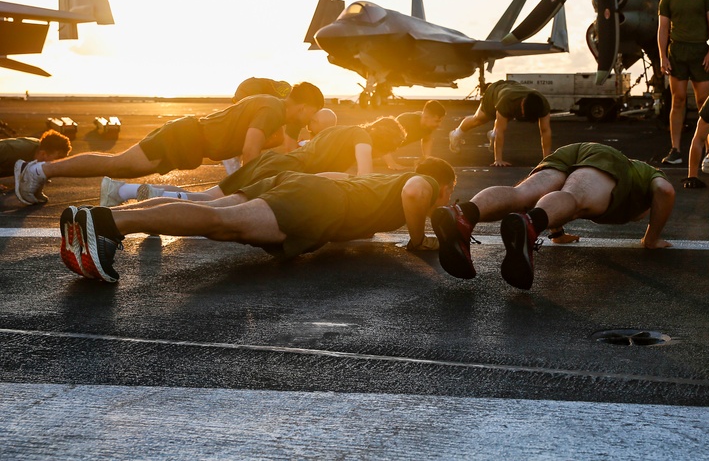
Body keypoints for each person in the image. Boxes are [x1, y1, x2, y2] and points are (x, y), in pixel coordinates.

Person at [59, 157, 457, 283]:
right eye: (449, 193)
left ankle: (98, 218)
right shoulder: (421, 181)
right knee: (219, 223)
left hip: (304, 186)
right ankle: (109, 228)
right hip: (315, 201)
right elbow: (415, 193)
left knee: (213, 212)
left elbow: (337, 178)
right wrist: (418, 240)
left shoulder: (382, 179)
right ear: (444, 184)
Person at [14, 82, 326, 205]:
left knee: (121, 164)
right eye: (311, 114)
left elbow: (286, 147)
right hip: (184, 137)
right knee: (118, 163)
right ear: (304, 105)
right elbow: (250, 151)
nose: (309, 120)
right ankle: (38, 171)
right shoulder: (272, 109)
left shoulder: (275, 110)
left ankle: (41, 171)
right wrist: (246, 188)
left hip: (187, 141)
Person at [431, 142, 676, 290]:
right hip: (606, 159)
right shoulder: (646, 175)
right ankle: (531, 224)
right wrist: (651, 238)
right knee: (575, 197)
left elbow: (557, 202)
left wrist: (557, 234)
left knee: (522, 193)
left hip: (571, 151)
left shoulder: (624, 181)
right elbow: (665, 191)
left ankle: (463, 214)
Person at [100, 117, 405, 205]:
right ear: (383, 139)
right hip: (283, 173)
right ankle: (131, 194)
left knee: (205, 198)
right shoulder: (362, 140)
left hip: (272, 163)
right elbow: (364, 176)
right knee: (206, 203)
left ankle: (123, 191)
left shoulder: (341, 130)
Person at [657, 0, 709, 166]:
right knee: (679, 99)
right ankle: (675, 150)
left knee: (704, 102)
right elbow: (663, 29)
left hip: (700, 51)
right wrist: (663, 56)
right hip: (677, 53)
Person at [448, 80, 552, 167]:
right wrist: (498, 160)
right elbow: (500, 130)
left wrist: (546, 160)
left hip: (511, 93)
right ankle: (456, 134)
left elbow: (545, 131)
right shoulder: (506, 101)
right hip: (494, 93)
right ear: (522, 105)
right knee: (479, 119)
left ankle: (493, 135)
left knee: (501, 124)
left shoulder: (542, 104)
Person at [1, 131, 71, 197]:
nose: (59, 162)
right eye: (58, 158)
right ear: (43, 154)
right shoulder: (14, 150)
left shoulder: (39, 150)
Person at [383, 100, 446, 170]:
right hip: (372, 144)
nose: (439, 125)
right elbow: (382, 141)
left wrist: (426, 159)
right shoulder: (406, 121)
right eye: (437, 121)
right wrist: (391, 164)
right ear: (426, 117)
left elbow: (427, 140)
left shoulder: (427, 125)